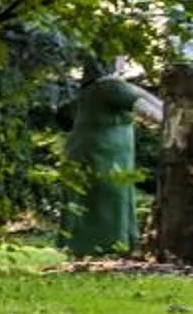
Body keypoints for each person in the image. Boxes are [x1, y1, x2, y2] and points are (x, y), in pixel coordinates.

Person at [64, 62, 167, 256]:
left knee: (113, 196)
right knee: (105, 197)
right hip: (98, 153)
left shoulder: (108, 86)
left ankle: (114, 245)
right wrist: (174, 124)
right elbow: (147, 109)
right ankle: (101, 246)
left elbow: (150, 101)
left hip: (108, 153)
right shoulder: (109, 87)